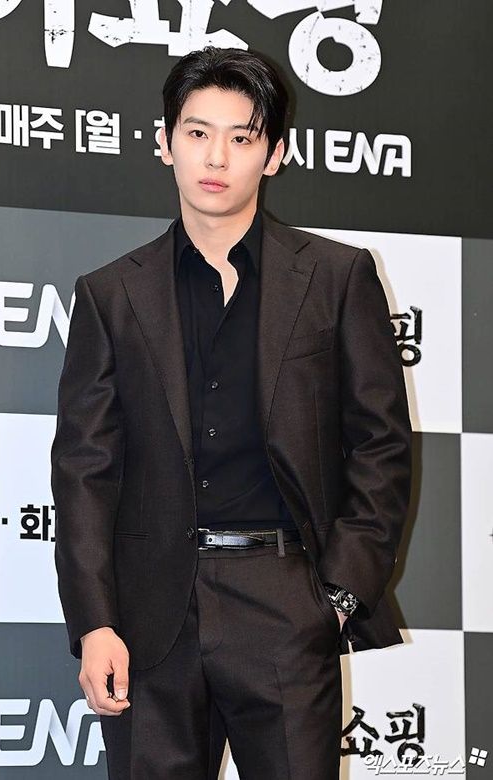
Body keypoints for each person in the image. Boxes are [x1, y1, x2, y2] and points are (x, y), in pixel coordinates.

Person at [50, 45, 412, 780]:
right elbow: (85, 472)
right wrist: (95, 623)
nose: (216, 157)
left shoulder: (337, 278)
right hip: (150, 620)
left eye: (242, 137)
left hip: (285, 605)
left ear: (274, 154)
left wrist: (337, 598)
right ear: (165, 143)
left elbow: (381, 446)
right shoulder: (110, 295)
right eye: (197, 132)